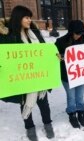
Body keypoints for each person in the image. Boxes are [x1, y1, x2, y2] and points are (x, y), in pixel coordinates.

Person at [0, 5, 54, 141]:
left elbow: (44, 52)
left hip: (39, 76)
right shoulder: (8, 36)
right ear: (18, 18)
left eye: (30, 17)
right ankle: (29, 128)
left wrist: (54, 56)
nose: (29, 20)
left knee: (43, 102)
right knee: (25, 103)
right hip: (22, 78)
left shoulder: (34, 32)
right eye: (26, 17)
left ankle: (48, 124)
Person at [55, 20, 84, 128]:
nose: (79, 36)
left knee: (80, 96)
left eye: (81, 34)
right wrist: (58, 56)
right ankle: (72, 115)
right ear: (71, 32)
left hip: (81, 74)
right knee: (71, 97)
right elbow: (53, 55)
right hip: (67, 76)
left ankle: (81, 113)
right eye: (77, 33)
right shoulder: (60, 42)